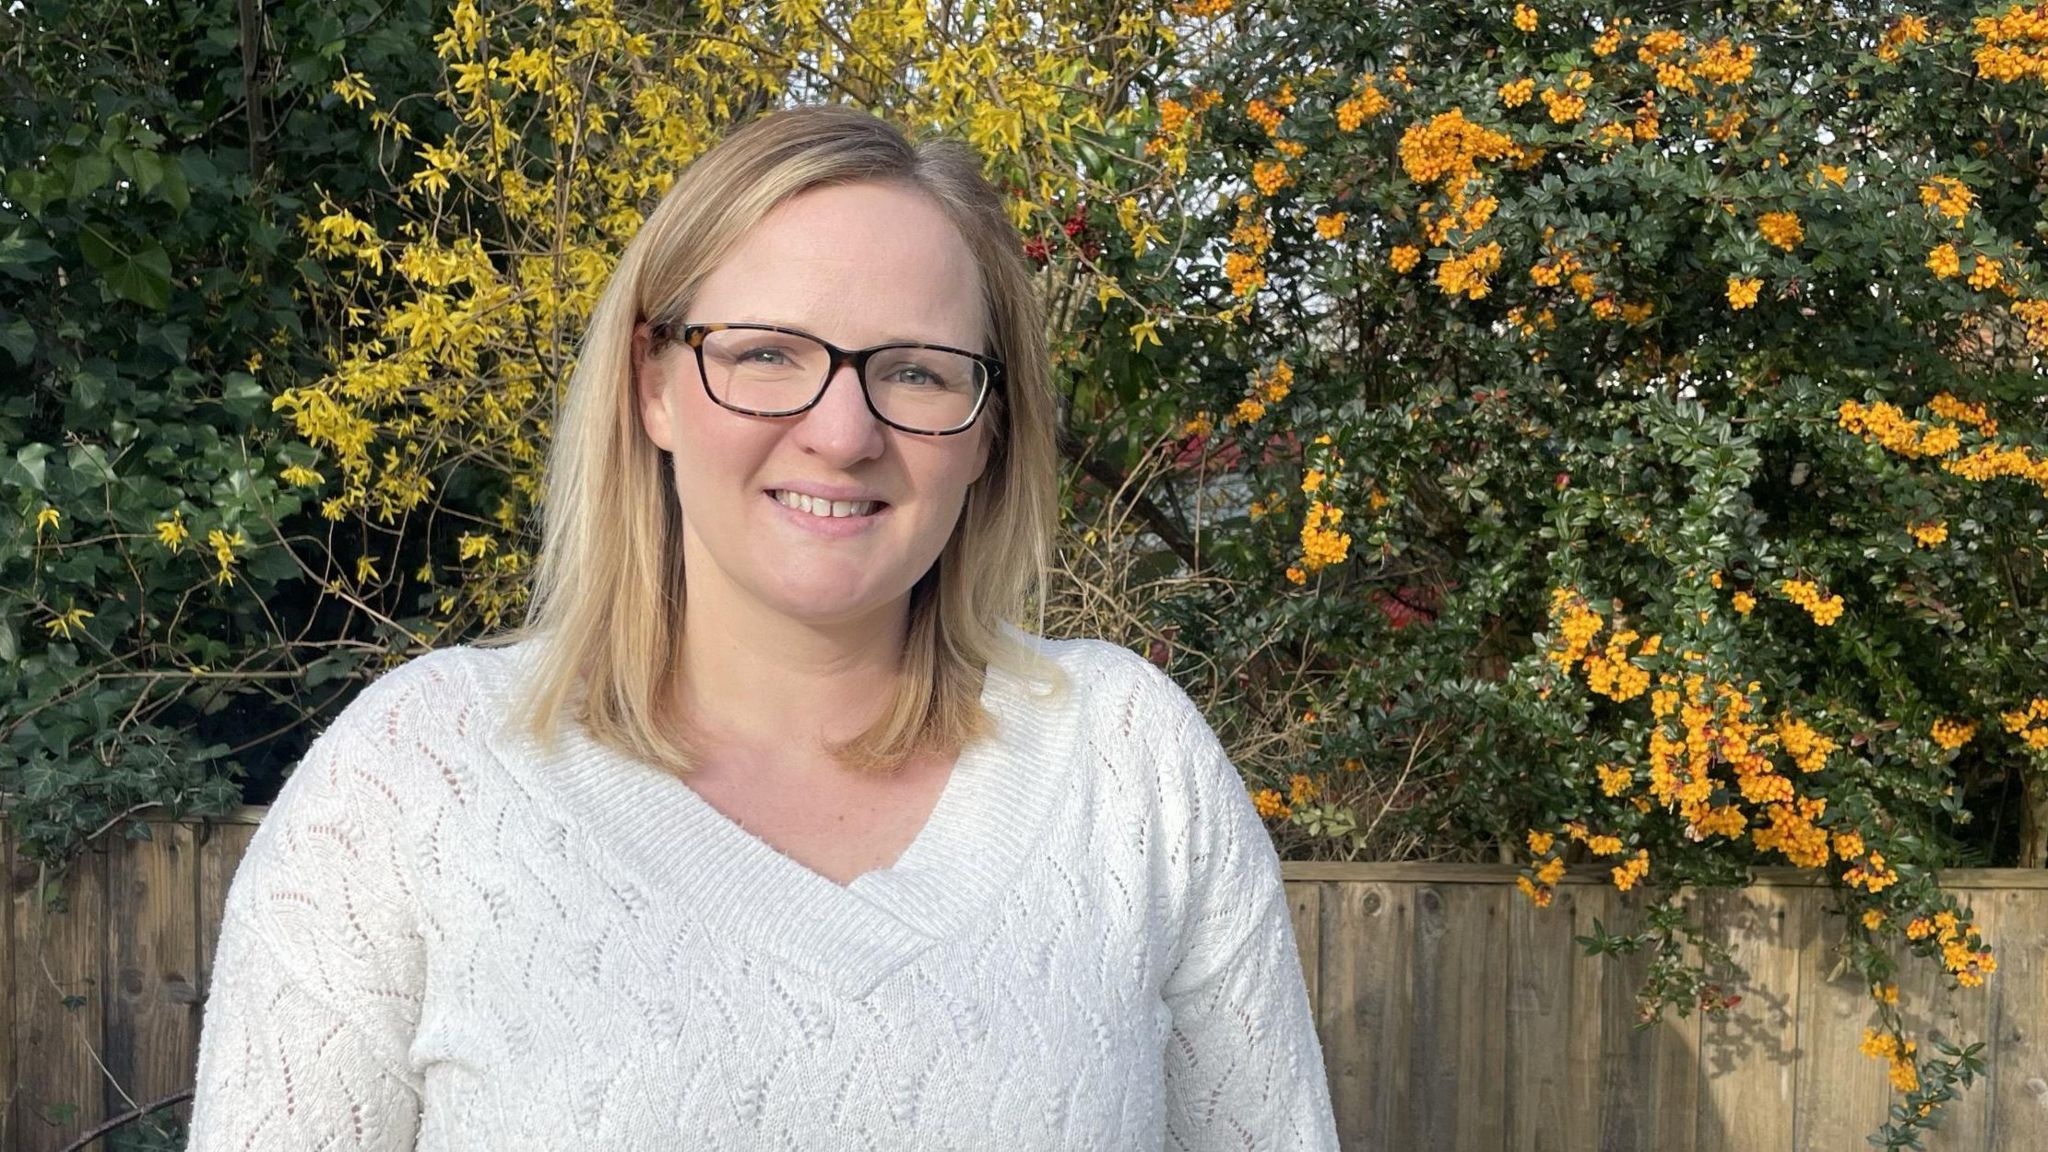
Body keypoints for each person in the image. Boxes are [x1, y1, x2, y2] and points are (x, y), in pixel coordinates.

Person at [187, 104, 1340, 1149]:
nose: (842, 432)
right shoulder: (412, 781)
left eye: (919, 373)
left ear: (989, 428)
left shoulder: (1127, 765)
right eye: (765, 354)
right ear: (653, 384)